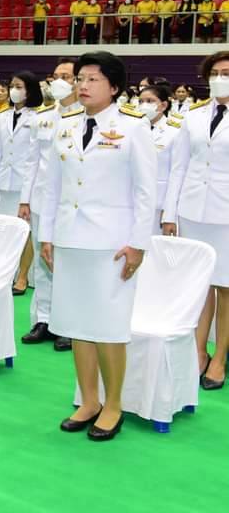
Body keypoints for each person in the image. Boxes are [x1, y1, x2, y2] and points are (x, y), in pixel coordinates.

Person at [40, 51, 154, 441]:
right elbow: (52, 184)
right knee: (77, 324)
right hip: (71, 239)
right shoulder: (66, 124)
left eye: (92, 79)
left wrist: (138, 244)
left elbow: (145, 191)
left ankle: (114, 403)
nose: (83, 86)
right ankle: (88, 400)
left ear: (115, 87)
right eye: (80, 79)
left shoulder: (134, 127)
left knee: (108, 328)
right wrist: (47, 235)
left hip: (112, 244)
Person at [162, 51, 229, 389]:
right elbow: (179, 166)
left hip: (227, 214)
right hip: (193, 210)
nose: (220, 77)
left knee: (227, 288)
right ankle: (199, 351)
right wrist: (170, 213)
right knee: (201, 286)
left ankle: (220, 357)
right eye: (215, 72)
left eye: (226, 72)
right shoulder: (194, 114)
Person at [19, 58, 81, 349]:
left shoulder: (86, 116)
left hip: (71, 204)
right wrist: (24, 199)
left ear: (78, 81)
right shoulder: (42, 116)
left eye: (66, 76)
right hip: (42, 200)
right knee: (44, 265)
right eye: (56, 75)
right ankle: (43, 319)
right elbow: (32, 162)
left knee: (66, 264)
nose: (59, 81)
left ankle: (67, 323)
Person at [0, 71, 43, 295]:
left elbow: (34, 156)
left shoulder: (38, 117)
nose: (13, 90)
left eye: (18, 86)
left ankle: (22, 276)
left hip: (25, 181)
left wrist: (28, 193)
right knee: (3, 229)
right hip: (3, 180)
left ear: (29, 90)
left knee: (25, 230)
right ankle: (5, 273)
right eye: (12, 86)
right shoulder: (3, 116)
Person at [136, 84, 181, 237]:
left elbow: (176, 174)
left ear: (163, 105)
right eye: (141, 101)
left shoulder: (175, 132)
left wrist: (169, 213)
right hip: (132, 201)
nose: (144, 105)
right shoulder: (133, 128)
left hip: (158, 205)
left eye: (150, 101)